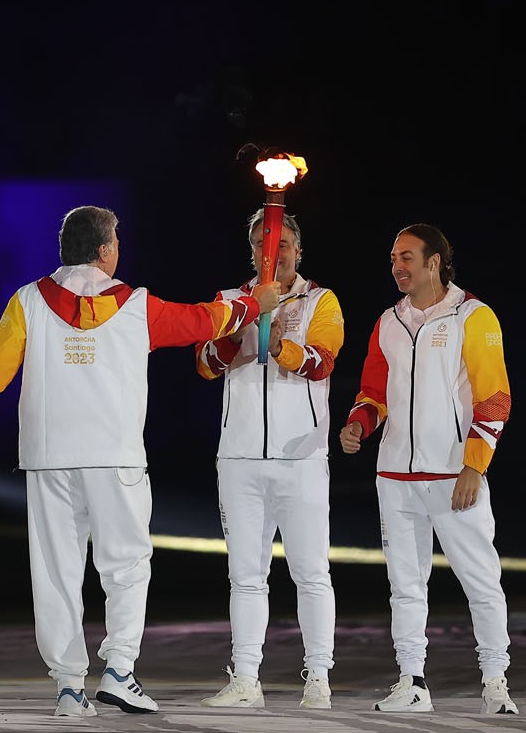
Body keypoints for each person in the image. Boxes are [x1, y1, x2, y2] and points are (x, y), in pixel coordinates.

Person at [0, 205, 278, 718]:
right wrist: (255, 304)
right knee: (126, 567)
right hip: (114, 458)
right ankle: (119, 670)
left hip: (49, 460)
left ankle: (68, 689)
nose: (120, 248)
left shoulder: (28, 301)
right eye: (116, 241)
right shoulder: (137, 306)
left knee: (55, 574)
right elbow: (202, 321)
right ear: (103, 251)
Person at [338, 223, 519, 716]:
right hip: (395, 476)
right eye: (393, 258)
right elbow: (373, 392)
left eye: (407, 257)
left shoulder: (473, 316)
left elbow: (495, 399)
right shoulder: (388, 321)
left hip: (453, 475)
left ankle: (496, 685)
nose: (397, 267)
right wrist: (358, 424)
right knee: (404, 586)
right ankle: (412, 682)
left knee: (480, 580)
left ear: (434, 262)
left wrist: (474, 466)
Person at [195, 209, 343, 710]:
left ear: (298, 249)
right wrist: (241, 331)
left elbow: (322, 362)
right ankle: (245, 680)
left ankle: (318, 678)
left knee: (311, 572)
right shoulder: (229, 301)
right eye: (263, 242)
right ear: (253, 250)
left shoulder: (320, 300)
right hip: (239, 457)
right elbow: (205, 364)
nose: (272, 251)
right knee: (245, 575)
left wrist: (279, 344)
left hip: (301, 456)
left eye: (281, 243)